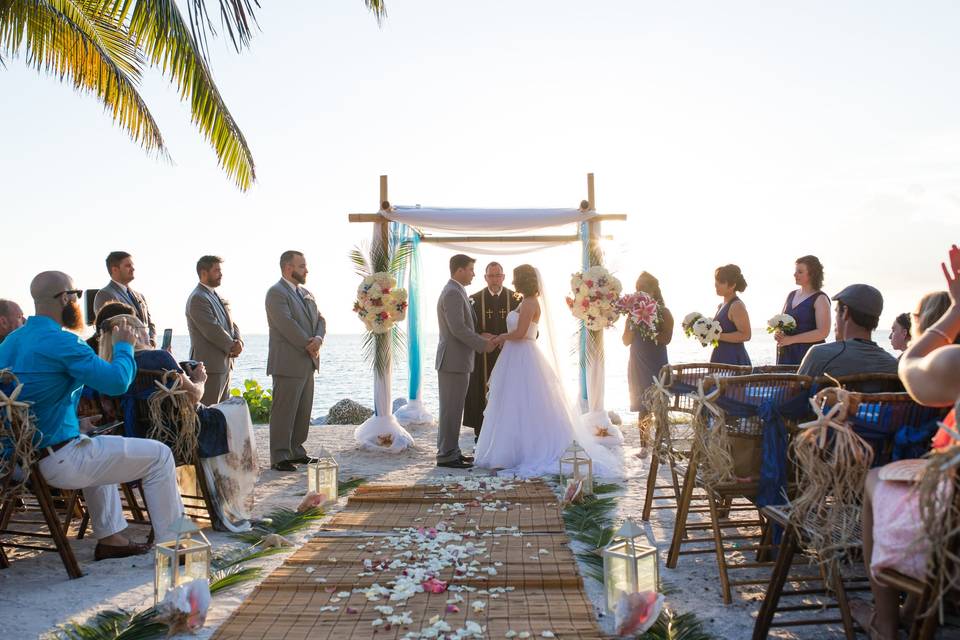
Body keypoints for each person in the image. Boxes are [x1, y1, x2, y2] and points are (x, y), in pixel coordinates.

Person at [0, 271, 182, 558]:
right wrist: (123, 344)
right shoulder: (64, 343)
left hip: (18, 460)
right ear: (65, 298)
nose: (77, 301)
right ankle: (174, 547)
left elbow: (31, 399)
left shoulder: (10, 343)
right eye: (77, 294)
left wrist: (75, 423)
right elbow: (116, 382)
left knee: (99, 444)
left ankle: (112, 539)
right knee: (160, 456)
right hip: (56, 461)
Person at [853, 247, 960, 639]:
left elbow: (910, 367)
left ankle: (885, 619)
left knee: (876, 480)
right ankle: (916, 607)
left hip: (951, 520)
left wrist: (955, 311)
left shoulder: (954, 364)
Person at [475, 265, 622, 478]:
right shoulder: (524, 302)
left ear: (523, 281)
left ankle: (519, 453)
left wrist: (499, 338)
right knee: (512, 403)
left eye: (515, 278)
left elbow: (520, 333)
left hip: (523, 354)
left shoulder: (530, 302)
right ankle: (508, 451)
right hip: (515, 355)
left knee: (524, 403)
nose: (513, 282)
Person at [265, 250, 326, 472]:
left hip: (308, 360)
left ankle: (296, 451)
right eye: (302, 266)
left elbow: (320, 319)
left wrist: (318, 339)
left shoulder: (306, 293)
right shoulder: (275, 293)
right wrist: (308, 344)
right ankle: (280, 456)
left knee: (303, 409)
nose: (306, 270)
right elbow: (286, 324)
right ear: (288, 268)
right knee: (284, 410)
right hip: (287, 361)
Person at [435, 254, 495, 469]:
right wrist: (482, 344)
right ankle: (446, 455)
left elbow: (463, 327)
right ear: (459, 270)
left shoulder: (457, 290)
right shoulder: (452, 292)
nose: (473, 273)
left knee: (454, 409)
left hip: (457, 360)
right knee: (450, 409)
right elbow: (458, 328)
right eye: (470, 269)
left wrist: (481, 337)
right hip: (453, 360)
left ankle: (453, 451)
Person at [463, 261, 521, 440]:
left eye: (498, 275)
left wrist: (505, 338)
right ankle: (481, 435)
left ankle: (507, 435)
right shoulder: (474, 299)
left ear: (504, 277)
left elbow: (528, 327)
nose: (495, 279)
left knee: (508, 392)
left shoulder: (516, 298)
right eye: (491, 276)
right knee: (482, 392)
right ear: (485, 277)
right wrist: (483, 335)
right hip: (484, 355)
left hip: (510, 353)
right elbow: (468, 327)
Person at [797, 284, 898, 379]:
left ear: (845, 312)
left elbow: (790, 395)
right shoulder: (894, 365)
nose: (834, 322)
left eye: (836, 312)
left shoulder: (819, 355)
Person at [622, 272, 673, 454]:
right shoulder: (632, 314)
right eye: (637, 289)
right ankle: (644, 447)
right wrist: (633, 323)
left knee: (659, 407)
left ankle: (662, 445)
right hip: (637, 362)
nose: (639, 292)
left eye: (643, 288)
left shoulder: (664, 312)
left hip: (656, 363)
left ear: (653, 290)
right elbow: (625, 341)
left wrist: (650, 328)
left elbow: (667, 338)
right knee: (641, 406)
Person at [185, 255, 243, 405]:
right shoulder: (198, 298)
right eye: (216, 270)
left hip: (224, 365)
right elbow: (211, 329)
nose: (221, 274)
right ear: (204, 273)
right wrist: (232, 346)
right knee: (208, 412)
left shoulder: (216, 296)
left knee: (221, 413)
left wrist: (239, 342)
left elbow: (232, 324)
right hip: (209, 368)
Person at [774, 255, 831, 365]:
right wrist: (778, 333)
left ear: (812, 274)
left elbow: (823, 332)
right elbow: (780, 323)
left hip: (808, 355)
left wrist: (791, 339)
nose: (795, 274)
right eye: (795, 271)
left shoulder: (820, 299)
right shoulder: (791, 295)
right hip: (786, 352)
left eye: (800, 272)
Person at [93, 251, 157, 347]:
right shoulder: (105, 295)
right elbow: (111, 329)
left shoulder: (140, 296)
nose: (133, 269)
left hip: (146, 350)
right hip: (126, 352)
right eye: (128, 266)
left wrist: (151, 340)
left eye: (132, 265)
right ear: (115, 270)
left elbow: (150, 324)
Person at [710, 264, 751, 366]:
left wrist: (717, 335)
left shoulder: (737, 306)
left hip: (732, 360)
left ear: (732, 285)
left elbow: (746, 335)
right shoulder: (721, 306)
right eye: (716, 280)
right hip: (719, 356)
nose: (716, 284)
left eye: (721, 282)